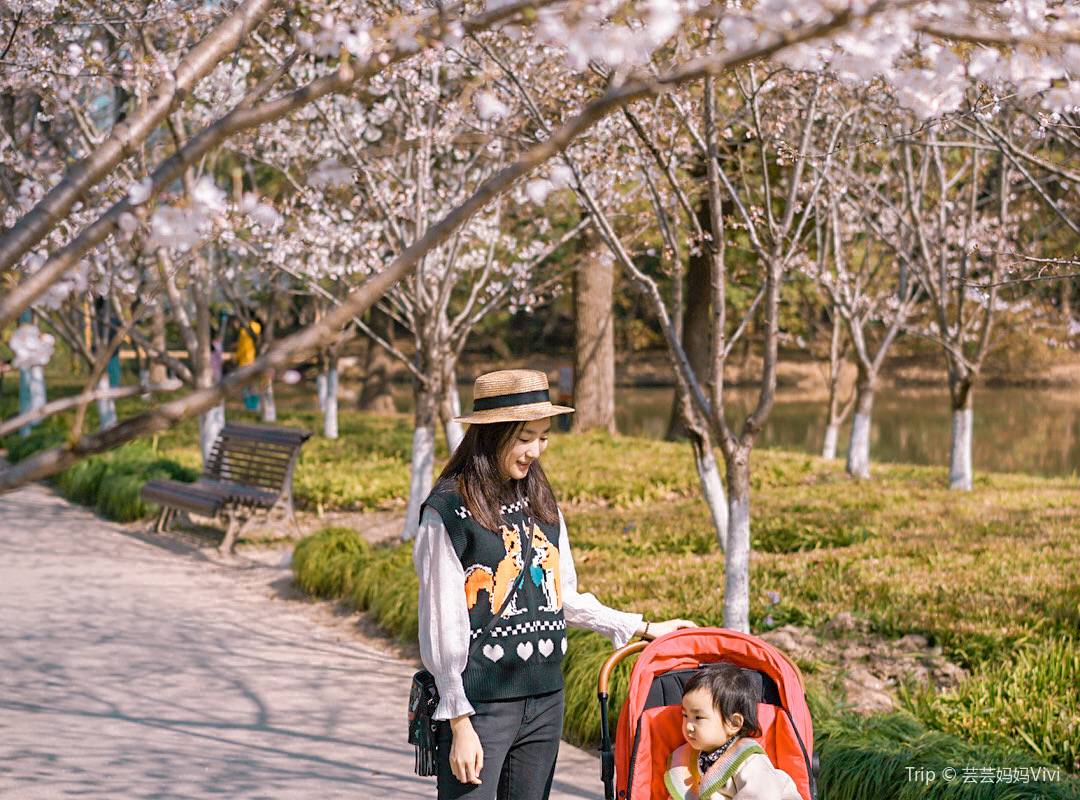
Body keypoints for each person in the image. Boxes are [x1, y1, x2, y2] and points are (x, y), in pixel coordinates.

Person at [413, 368, 696, 800]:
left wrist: (644, 627)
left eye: (543, 436)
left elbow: (561, 597)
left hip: (546, 699)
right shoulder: (449, 510)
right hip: (481, 707)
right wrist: (458, 721)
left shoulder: (540, 500)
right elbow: (441, 622)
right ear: (493, 433)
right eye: (526, 437)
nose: (536, 450)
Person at [665, 663, 802, 800]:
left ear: (733, 723)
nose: (688, 726)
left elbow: (762, 795)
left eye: (698, 717)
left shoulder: (749, 761)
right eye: (685, 716)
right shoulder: (687, 758)